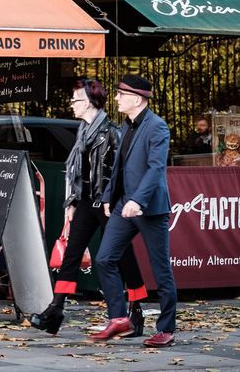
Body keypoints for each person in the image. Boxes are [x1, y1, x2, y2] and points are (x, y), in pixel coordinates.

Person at [31, 78, 147, 336]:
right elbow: (78, 171)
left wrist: (115, 201)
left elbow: (123, 172)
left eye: (76, 100)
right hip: (86, 199)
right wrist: (72, 201)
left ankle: (136, 309)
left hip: (108, 202)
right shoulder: (83, 130)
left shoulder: (113, 132)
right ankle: (56, 308)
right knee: (72, 253)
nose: (71, 105)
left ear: (90, 102)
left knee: (123, 255)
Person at [92, 75, 177, 348]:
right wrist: (109, 197)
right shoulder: (127, 126)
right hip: (123, 205)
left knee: (160, 269)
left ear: (137, 99)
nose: (115, 98)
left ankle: (166, 329)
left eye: (120, 94)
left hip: (149, 208)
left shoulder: (157, 127)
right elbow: (119, 167)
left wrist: (138, 200)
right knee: (104, 258)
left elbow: (156, 169)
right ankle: (118, 317)